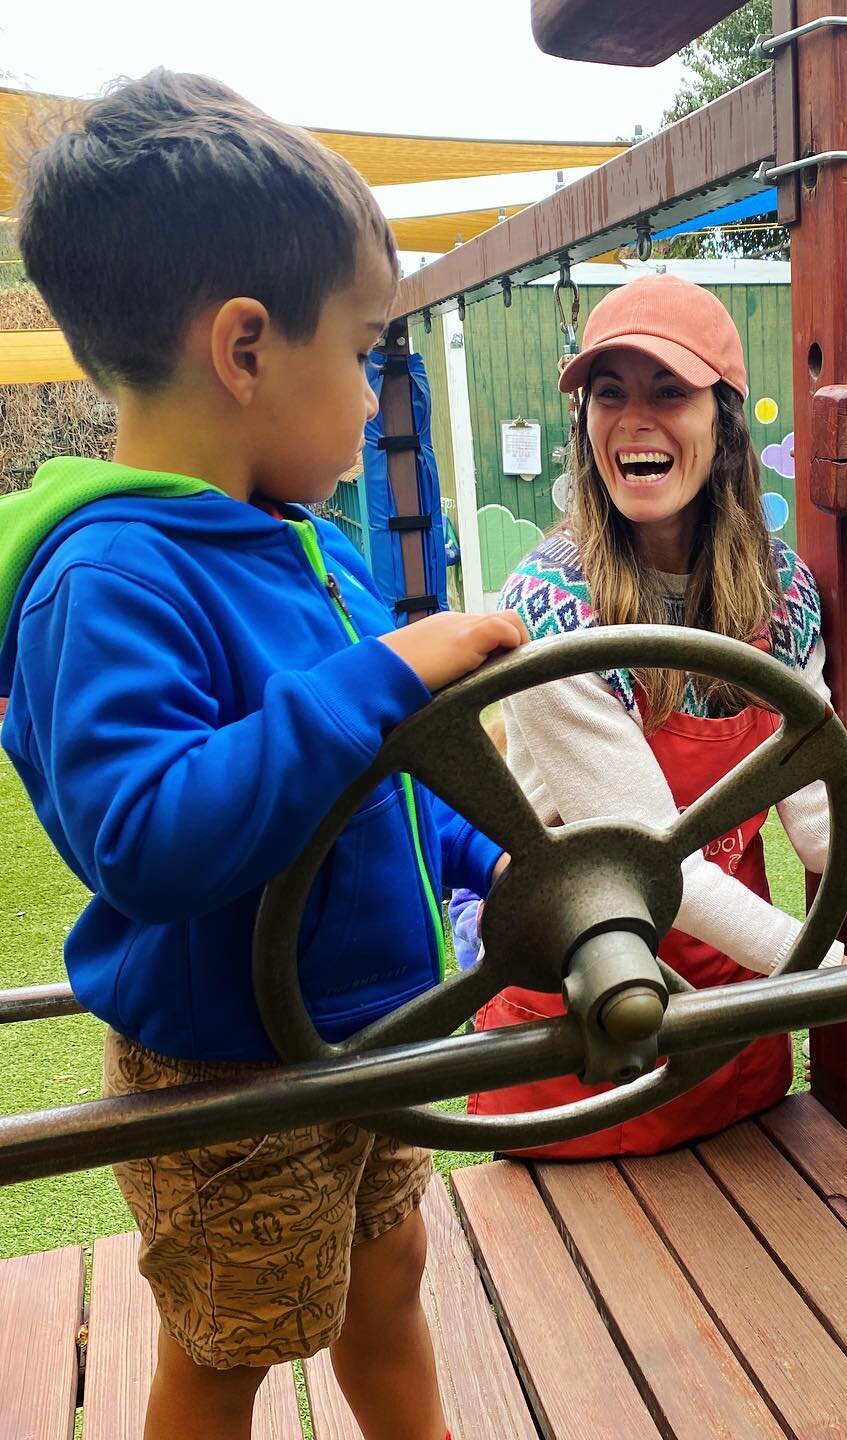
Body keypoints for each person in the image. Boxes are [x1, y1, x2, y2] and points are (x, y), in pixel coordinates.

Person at [0, 71, 525, 1440]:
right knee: (232, 1344)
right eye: (360, 351)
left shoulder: (306, 538)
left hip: (368, 1029)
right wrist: (382, 670)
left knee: (388, 1269)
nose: (369, 399)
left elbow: (386, 773)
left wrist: (507, 842)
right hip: (229, 1067)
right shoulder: (108, 581)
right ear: (245, 349)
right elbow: (150, 835)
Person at [450, 272, 847, 1157]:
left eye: (669, 392)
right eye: (609, 395)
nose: (633, 419)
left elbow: (816, 821)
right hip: (581, 1039)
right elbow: (657, 863)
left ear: (723, 423)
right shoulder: (549, 606)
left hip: (731, 1044)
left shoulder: (783, 594)